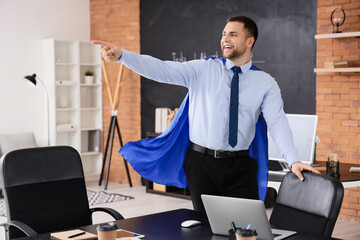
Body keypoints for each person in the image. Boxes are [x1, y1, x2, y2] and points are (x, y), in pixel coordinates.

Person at [93, 15, 320, 212]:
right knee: (206, 226)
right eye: (224, 34)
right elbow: (161, 69)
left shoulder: (265, 83)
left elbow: (277, 122)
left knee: (247, 226)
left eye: (233, 34)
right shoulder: (203, 70)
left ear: (249, 41)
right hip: (201, 164)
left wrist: (293, 160)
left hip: (241, 166)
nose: (225, 39)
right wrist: (123, 55)